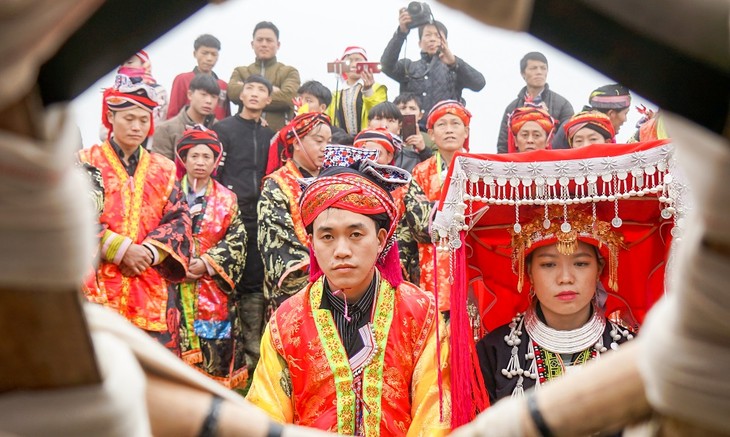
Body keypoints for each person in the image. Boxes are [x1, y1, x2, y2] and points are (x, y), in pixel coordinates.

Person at [247, 145, 451, 435]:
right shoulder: (287, 321)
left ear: (381, 240)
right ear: (313, 244)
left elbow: (437, 411)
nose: (341, 251)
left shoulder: (419, 312)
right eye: (327, 236)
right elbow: (264, 416)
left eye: (356, 234)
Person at [77, 76, 192, 354]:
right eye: (129, 118)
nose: (137, 126)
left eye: (143, 119)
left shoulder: (163, 168)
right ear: (110, 116)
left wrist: (149, 253)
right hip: (99, 283)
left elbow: (180, 219)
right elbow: (70, 215)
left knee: (151, 374)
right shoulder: (85, 161)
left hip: (149, 284)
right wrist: (119, 248)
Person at [476, 207, 634, 403]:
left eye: (581, 264)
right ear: (529, 273)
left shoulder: (632, 349)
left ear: (599, 270)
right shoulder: (493, 352)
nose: (565, 278)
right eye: (549, 265)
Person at [173, 126, 248, 389]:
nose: (201, 162)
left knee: (213, 347)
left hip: (211, 289)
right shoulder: (168, 192)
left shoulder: (227, 199)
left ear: (216, 161)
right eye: (194, 156)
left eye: (207, 156)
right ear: (184, 159)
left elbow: (237, 240)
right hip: (174, 285)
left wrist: (206, 262)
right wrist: (178, 262)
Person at [212, 74, 275, 376]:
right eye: (249, 88)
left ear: (268, 99)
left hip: (258, 215)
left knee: (253, 283)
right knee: (223, 281)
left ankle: (252, 360)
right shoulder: (222, 129)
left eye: (260, 90)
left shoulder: (269, 135)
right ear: (240, 94)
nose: (253, 94)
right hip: (226, 213)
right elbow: (214, 171)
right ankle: (220, 359)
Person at [258, 112, 332, 315]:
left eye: (328, 141)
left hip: (336, 282)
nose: (325, 148)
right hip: (298, 288)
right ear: (296, 142)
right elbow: (277, 240)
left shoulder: (332, 179)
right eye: (318, 141)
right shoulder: (276, 184)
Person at [411, 100, 472, 313]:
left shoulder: (480, 166)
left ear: (466, 131)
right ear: (431, 134)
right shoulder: (420, 172)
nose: (448, 130)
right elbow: (415, 218)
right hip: (432, 256)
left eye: (455, 124)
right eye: (441, 125)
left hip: (471, 254)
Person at [353, 128, 433, 284]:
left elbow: (423, 223)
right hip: (355, 265)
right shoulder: (346, 186)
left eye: (376, 154)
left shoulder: (404, 186)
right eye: (363, 154)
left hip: (398, 268)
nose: (370, 161)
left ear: (390, 156)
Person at [380, 10, 485, 116]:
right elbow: (386, 65)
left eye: (437, 36)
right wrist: (401, 33)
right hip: (412, 129)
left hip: (443, 128)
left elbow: (479, 83)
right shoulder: (408, 66)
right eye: (428, 35)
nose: (432, 39)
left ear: (445, 42)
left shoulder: (454, 68)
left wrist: (454, 62)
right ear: (420, 43)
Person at [228, 21, 300, 132]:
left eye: (269, 40)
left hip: (277, 137)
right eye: (260, 40)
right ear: (252, 44)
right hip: (242, 134)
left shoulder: (289, 72)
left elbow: (287, 99)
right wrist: (273, 90)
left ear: (278, 45)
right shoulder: (241, 71)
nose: (264, 44)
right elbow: (232, 93)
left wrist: (247, 92)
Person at [496, 52, 573, 154]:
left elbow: (569, 139)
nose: (539, 72)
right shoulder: (512, 108)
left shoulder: (563, 104)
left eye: (543, 68)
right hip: (518, 165)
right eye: (534, 68)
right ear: (523, 74)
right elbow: (503, 145)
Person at [152, 74, 220, 160]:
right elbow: (161, 168)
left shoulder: (219, 129)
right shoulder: (166, 129)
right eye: (204, 95)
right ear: (190, 94)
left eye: (214, 97)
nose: (209, 101)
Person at [166, 34, 231, 121]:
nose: (209, 58)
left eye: (214, 54)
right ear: (195, 54)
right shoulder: (182, 79)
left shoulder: (223, 85)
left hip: (216, 132)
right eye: (205, 53)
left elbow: (226, 116)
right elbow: (172, 114)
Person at [326, 46, 387, 135]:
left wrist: (368, 90)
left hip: (367, 140)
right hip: (342, 143)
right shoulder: (334, 95)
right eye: (349, 61)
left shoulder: (377, 88)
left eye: (358, 61)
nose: (354, 64)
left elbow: (380, 114)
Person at [552, 84, 631, 149]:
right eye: (625, 113)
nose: (625, 120)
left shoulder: (604, 134)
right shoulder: (573, 127)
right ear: (611, 114)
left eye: (593, 139)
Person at [368, 100, 432, 172]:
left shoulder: (412, 160)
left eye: (391, 120)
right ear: (369, 124)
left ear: (399, 128)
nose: (384, 125)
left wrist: (424, 150)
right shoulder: (356, 154)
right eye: (378, 119)